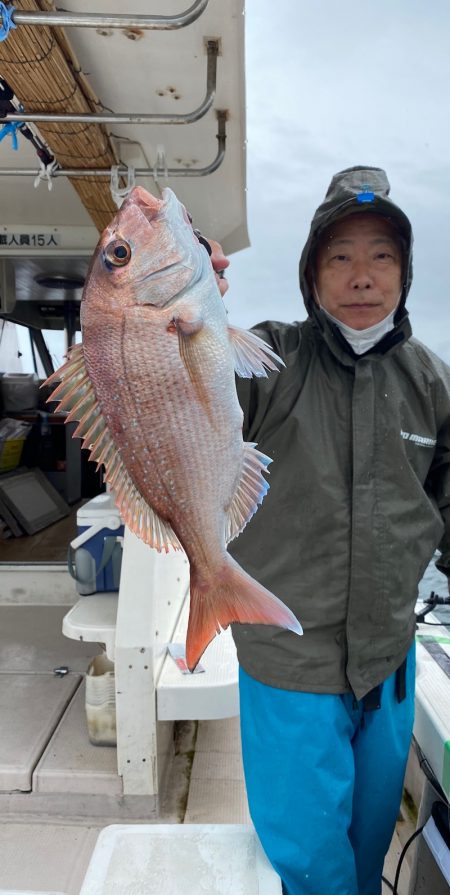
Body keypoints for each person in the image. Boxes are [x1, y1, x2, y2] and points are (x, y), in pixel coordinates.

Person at [207, 165, 450, 895]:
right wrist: (182, 303)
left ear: (405, 274)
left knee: (367, 845)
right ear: (312, 274)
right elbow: (196, 376)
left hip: (389, 667)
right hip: (291, 667)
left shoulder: (431, 382)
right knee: (315, 868)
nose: (362, 275)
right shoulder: (269, 359)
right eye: (339, 255)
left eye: (381, 255)